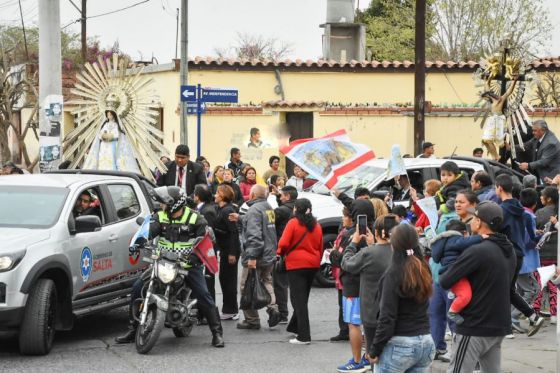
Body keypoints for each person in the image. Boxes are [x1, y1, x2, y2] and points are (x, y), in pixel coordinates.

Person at [115, 186, 224, 348]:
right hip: (162, 262)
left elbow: (207, 240)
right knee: (137, 288)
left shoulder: (195, 218)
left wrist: (194, 257)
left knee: (203, 295)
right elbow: (150, 231)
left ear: (173, 204)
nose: (160, 205)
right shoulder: (160, 216)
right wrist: (139, 242)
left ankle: (217, 333)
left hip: (187, 265)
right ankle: (133, 329)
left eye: (163, 203)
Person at [440, 201, 516, 373]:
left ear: (479, 222)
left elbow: (445, 280)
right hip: (499, 325)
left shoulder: (478, 251)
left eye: (474, 217)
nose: (471, 220)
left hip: (475, 325)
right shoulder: (508, 249)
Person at [368, 224, 435, 373]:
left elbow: (387, 317)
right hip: (425, 341)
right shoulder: (423, 268)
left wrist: (374, 350)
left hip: (400, 344)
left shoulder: (392, 274)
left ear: (394, 245)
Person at [340, 215, 397, 371]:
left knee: (375, 356)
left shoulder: (369, 253)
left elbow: (347, 263)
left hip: (373, 312)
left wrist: (354, 242)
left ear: (377, 232)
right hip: (397, 311)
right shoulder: (401, 252)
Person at [495, 174, 544, 336]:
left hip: (505, 253)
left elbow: (496, 233)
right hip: (519, 254)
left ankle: (507, 329)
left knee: (503, 290)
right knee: (509, 290)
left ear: (499, 188)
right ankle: (532, 317)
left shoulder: (500, 210)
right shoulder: (522, 211)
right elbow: (532, 236)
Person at [330, 200, 375, 372]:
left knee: (354, 323)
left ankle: (357, 361)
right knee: (370, 323)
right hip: (371, 284)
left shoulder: (352, 235)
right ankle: (369, 356)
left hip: (352, 284)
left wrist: (335, 251)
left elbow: (341, 260)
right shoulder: (375, 232)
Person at [277, 198, 323, 345]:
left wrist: (280, 252)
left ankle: (304, 336)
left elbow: (283, 243)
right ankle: (295, 326)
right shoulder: (316, 225)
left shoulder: (293, 223)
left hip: (296, 264)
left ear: (296, 208)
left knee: (299, 300)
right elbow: (320, 245)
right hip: (313, 263)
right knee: (303, 298)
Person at [237, 185, 281, 330]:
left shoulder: (253, 210)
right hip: (269, 253)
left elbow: (254, 235)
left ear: (253, 195)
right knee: (267, 280)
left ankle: (252, 320)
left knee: (246, 286)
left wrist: (252, 257)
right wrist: (241, 219)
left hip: (257, 255)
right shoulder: (267, 207)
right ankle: (273, 308)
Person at [431, 220, 483, 325]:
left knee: (459, 294)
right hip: (455, 273)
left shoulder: (445, 241)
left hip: (449, 274)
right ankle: (453, 312)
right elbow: (464, 242)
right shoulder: (455, 239)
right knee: (465, 295)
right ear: (463, 232)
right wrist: (482, 237)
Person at [512, 188, 541, 332]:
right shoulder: (529, 217)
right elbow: (529, 241)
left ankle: (513, 317)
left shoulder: (517, 213)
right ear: (535, 203)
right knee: (533, 290)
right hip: (525, 261)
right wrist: (540, 238)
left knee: (518, 291)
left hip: (517, 259)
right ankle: (513, 316)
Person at [213, 184, 241, 320]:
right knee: (224, 279)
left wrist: (232, 253)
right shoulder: (222, 209)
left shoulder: (227, 211)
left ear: (223, 195)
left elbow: (233, 233)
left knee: (228, 280)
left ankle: (231, 310)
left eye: (217, 193)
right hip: (224, 249)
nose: (215, 195)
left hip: (230, 250)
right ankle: (229, 309)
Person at [273, 185, 298, 324]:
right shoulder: (300, 209)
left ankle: (283, 314)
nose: (280, 197)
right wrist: (278, 197)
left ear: (287, 196)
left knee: (280, 284)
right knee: (295, 285)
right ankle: (297, 314)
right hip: (297, 251)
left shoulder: (280, 211)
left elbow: (270, 223)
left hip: (282, 251)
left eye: (281, 195)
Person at [533, 186, 559, 323]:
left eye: (542, 195)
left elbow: (534, 231)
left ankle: (535, 313)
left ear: (548, 199)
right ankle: (554, 314)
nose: (540, 197)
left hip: (542, 255)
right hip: (556, 255)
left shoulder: (540, 213)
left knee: (540, 283)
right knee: (554, 284)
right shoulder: (557, 212)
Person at [329, 207, 354, 343]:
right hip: (341, 273)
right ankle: (344, 330)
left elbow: (341, 255)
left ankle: (345, 330)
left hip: (343, 273)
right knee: (343, 303)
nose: (342, 219)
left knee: (344, 303)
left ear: (351, 218)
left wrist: (333, 252)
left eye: (344, 216)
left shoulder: (347, 235)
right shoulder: (344, 232)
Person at [480, 77, 518, 160]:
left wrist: (514, 81)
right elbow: (487, 88)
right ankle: (495, 156)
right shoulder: (491, 100)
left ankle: (496, 156)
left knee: (489, 140)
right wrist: (488, 80)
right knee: (485, 140)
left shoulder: (500, 99)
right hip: (492, 120)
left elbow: (509, 92)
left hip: (498, 120)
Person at [193, 184, 218, 305]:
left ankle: (208, 310)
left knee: (207, 282)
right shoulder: (201, 208)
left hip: (206, 252)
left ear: (198, 196)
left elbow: (208, 235)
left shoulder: (207, 211)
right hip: (202, 252)